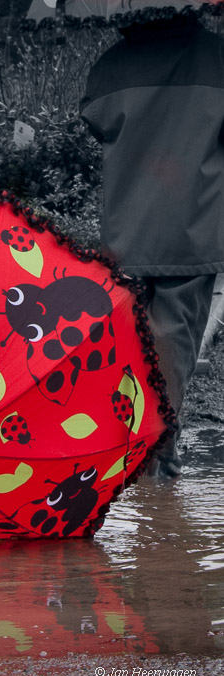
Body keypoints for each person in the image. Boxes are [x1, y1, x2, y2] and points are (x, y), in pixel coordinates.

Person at [80, 13, 224, 476]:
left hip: (128, 222)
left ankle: (126, 437)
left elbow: (96, 120)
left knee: (128, 331)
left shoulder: (111, 64)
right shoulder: (217, 56)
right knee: (175, 333)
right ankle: (158, 448)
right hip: (193, 222)